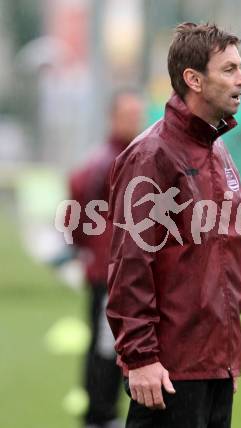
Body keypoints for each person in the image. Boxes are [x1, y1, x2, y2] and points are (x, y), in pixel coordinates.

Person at [106, 22, 241, 428]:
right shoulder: (151, 155)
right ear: (193, 79)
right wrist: (141, 358)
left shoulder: (217, 150)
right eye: (229, 69)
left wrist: (226, 356)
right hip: (167, 373)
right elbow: (129, 264)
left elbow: (223, 262)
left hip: (213, 368)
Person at [68, 89, 144, 428]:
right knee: (105, 345)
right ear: (113, 117)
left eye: (137, 114)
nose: (134, 121)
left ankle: (103, 412)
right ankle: (99, 415)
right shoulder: (106, 161)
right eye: (127, 114)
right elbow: (77, 196)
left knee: (114, 343)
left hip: (123, 272)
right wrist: (92, 250)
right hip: (108, 274)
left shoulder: (132, 155)